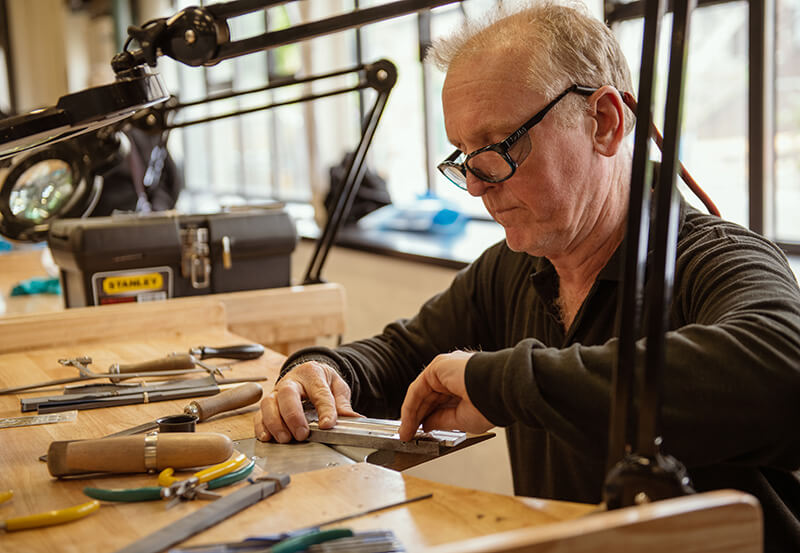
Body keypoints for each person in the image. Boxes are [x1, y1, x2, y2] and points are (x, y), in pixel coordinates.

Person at [254, 1, 800, 550]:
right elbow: (405, 355)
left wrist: (505, 382)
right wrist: (322, 372)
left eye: (498, 147)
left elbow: (782, 368)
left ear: (603, 123)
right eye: (463, 155)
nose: (475, 184)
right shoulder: (516, 267)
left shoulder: (713, 259)